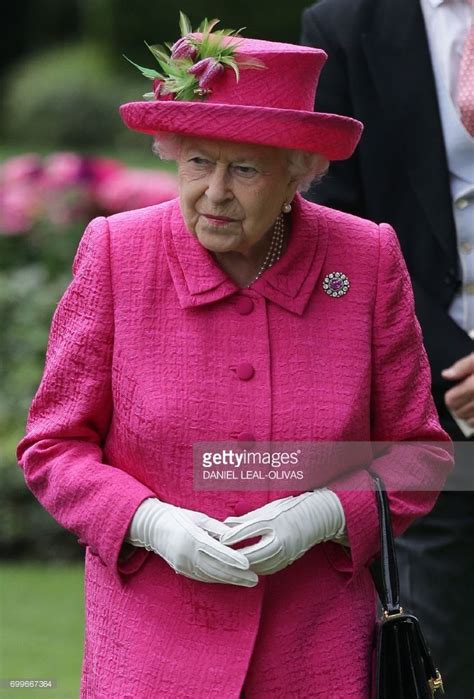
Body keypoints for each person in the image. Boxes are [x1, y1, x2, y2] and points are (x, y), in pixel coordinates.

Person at [17, 15, 453, 699]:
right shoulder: (117, 253)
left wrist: (326, 514)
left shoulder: (365, 259)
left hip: (316, 656)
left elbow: (421, 453)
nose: (214, 193)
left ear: (297, 176)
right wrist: (148, 521)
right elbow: (53, 444)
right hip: (151, 656)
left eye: (245, 169)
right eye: (198, 161)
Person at [300, 1, 474, 697]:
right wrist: (446, 362)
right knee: (441, 652)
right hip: (430, 402)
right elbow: (335, 220)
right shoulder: (343, 23)